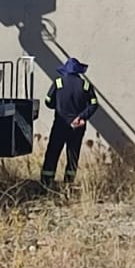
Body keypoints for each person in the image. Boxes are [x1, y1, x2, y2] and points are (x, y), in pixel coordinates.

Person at [41, 56, 98, 187]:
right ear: (78, 71)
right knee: (73, 155)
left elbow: (48, 102)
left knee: (53, 152)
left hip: (60, 124)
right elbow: (94, 104)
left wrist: (58, 106)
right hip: (78, 127)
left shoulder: (58, 82)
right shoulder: (85, 85)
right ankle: (69, 184)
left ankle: (46, 183)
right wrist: (82, 117)